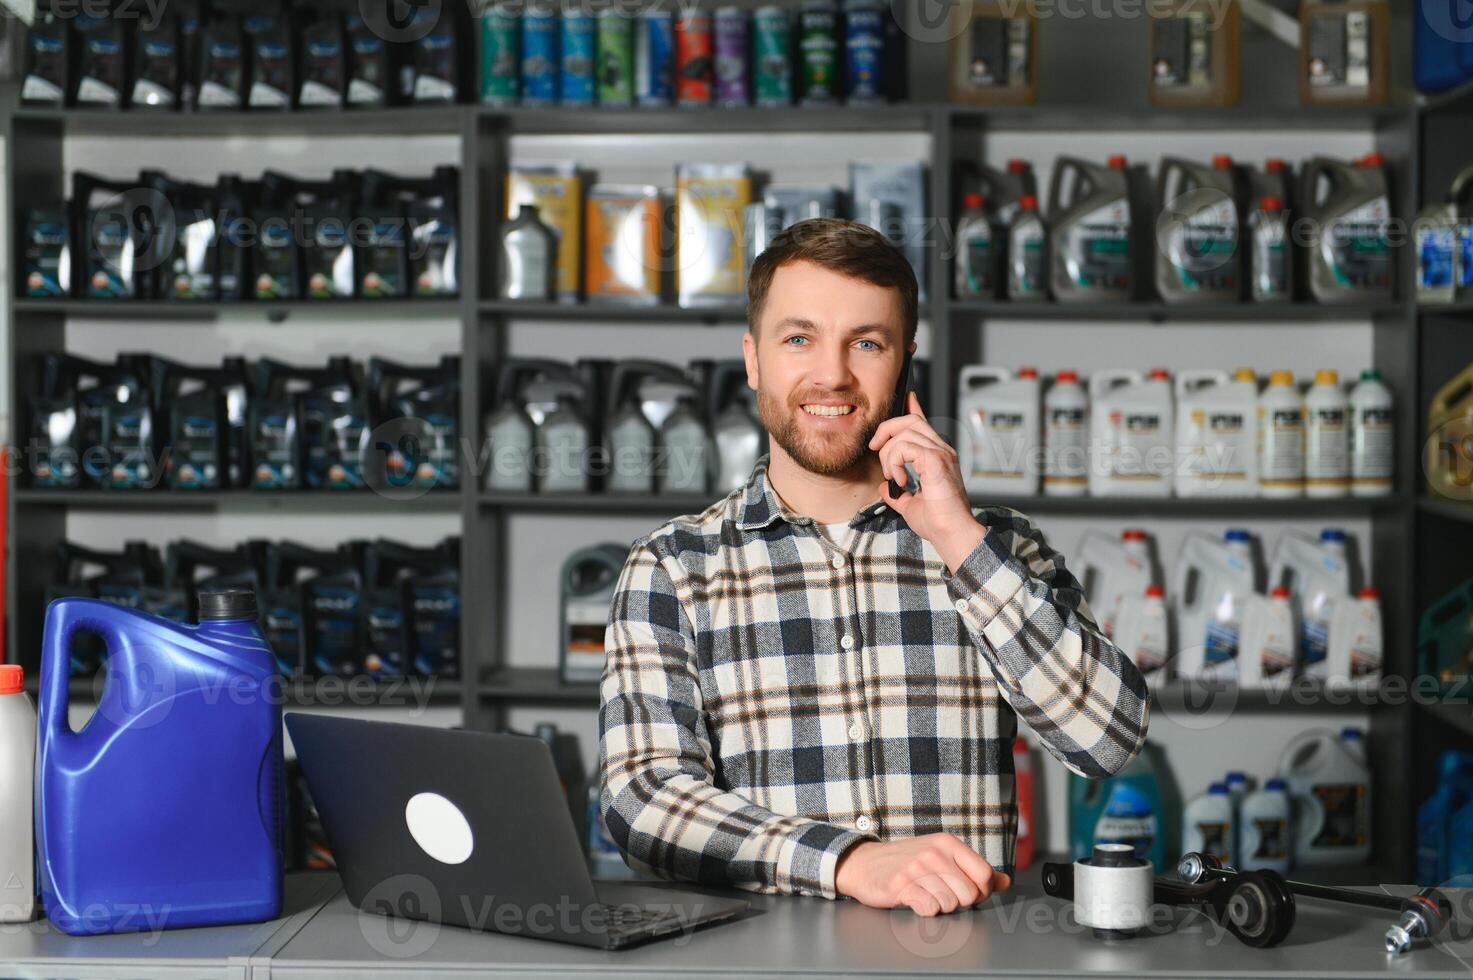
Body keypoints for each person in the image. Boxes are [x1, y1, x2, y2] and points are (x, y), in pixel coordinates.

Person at [598, 217, 1150, 917]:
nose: (831, 374)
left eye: (866, 343)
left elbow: (1109, 740)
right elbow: (642, 801)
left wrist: (956, 536)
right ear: (753, 358)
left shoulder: (997, 547)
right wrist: (848, 861)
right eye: (798, 338)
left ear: (904, 362)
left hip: (961, 967)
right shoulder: (672, 568)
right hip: (763, 970)